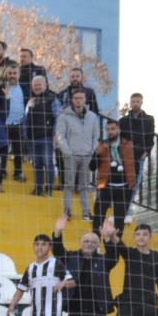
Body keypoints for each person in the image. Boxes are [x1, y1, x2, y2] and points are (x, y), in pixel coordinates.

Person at [54, 88, 99, 221]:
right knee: (69, 184)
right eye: (76, 98)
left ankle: (86, 212)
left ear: (85, 100)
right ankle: (67, 210)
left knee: (84, 185)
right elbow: (60, 135)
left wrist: (92, 150)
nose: (78, 101)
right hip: (71, 155)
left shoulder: (92, 116)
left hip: (87, 155)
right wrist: (67, 152)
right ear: (72, 100)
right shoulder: (64, 116)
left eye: (81, 98)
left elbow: (96, 135)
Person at [91, 119, 136, 235]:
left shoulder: (128, 144)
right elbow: (91, 167)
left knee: (120, 220)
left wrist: (132, 181)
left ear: (119, 130)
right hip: (105, 187)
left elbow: (135, 163)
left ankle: (116, 248)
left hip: (124, 188)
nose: (110, 132)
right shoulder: (102, 146)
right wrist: (98, 153)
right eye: (107, 129)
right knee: (98, 217)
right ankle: (95, 246)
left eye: (112, 129)